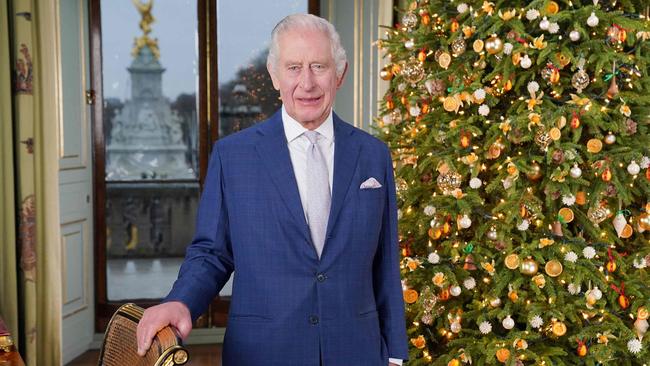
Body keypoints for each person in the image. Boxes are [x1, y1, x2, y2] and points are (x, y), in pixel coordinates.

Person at [136, 13, 408, 365]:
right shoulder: (233, 156)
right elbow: (211, 253)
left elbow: (385, 264)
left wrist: (395, 354)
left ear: (340, 74)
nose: (307, 82)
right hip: (263, 351)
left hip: (357, 350)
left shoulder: (373, 156)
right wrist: (180, 301)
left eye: (319, 66)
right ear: (275, 76)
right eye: (294, 67)